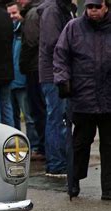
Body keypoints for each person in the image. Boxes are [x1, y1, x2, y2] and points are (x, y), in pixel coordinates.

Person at [53, 0, 111, 200]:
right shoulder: (74, 27)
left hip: (108, 96)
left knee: (109, 145)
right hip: (82, 96)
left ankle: (108, 189)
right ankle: (75, 180)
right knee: (80, 144)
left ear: (106, 7)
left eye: (97, 7)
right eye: (90, 7)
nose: (93, 11)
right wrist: (62, 80)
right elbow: (60, 55)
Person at [37, 0, 76, 177]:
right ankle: (56, 164)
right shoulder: (53, 11)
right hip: (54, 74)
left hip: (57, 72)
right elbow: (53, 43)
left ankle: (60, 162)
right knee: (57, 118)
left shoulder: (62, 9)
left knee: (60, 118)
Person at [18, 0, 46, 160]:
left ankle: (42, 148)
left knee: (37, 110)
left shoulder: (32, 14)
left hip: (35, 68)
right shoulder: (42, 11)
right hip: (40, 66)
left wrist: (23, 64)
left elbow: (30, 42)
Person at [6, 1, 38, 141]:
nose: (12, 16)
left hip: (22, 80)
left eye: (14, 13)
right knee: (12, 117)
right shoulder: (9, 31)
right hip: (10, 80)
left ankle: (34, 145)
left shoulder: (24, 29)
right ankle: (16, 145)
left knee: (29, 116)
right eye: (9, 14)